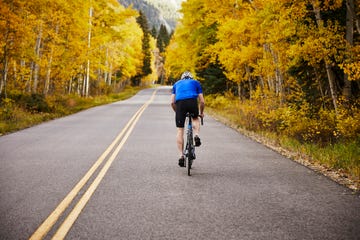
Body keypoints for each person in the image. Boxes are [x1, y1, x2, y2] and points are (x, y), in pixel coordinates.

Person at [171, 71, 205, 167]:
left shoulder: (176, 84)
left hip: (180, 104)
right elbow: (202, 101)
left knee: (180, 130)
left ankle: (181, 156)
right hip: (192, 101)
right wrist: (201, 113)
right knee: (195, 119)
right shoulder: (196, 82)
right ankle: (196, 136)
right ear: (191, 78)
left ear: (182, 78)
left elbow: (172, 102)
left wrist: (177, 112)